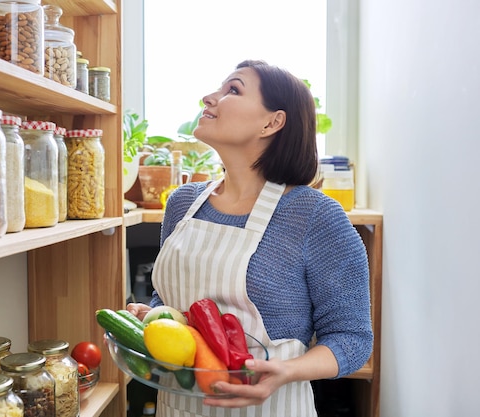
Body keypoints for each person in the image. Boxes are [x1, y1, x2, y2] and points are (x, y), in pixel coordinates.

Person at [127, 60, 373, 417]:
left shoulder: (315, 216)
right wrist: (151, 314)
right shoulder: (183, 204)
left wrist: (286, 372)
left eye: (233, 90)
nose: (209, 98)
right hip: (176, 406)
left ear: (272, 122)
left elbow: (353, 341)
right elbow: (170, 300)